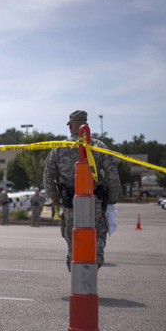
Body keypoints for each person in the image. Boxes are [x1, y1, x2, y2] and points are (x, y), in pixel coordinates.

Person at [43, 110, 121, 271]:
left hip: (70, 204)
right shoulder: (98, 146)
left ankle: (77, 273)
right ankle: (93, 267)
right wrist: (111, 199)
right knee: (97, 236)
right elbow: (113, 175)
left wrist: (56, 198)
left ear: (70, 125)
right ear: (86, 126)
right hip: (95, 202)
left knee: (74, 239)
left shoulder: (59, 148)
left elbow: (48, 177)